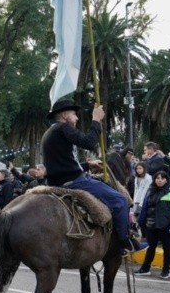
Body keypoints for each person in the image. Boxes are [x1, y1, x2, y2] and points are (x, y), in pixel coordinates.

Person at [41, 100, 134, 255]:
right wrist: (96, 120)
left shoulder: (49, 133)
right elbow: (90, 142)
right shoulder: (64, 128)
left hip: (57, 181)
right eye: (74, 114)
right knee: (120, 200)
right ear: (64, 115)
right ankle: (123, 243)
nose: (76, 118)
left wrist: (88, 165)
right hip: (75, 182)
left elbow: (63, 165)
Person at [134, 170, 170, 279]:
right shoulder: (150, 191)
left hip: (165, 226)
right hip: (151, 225)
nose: (159, 180)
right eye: (157, 178)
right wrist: (141, 222)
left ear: (166, 180)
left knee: (167, 248)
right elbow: (145, 209)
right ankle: (145, 269)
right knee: (150, 247)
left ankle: (166, 270)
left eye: (162, 178)